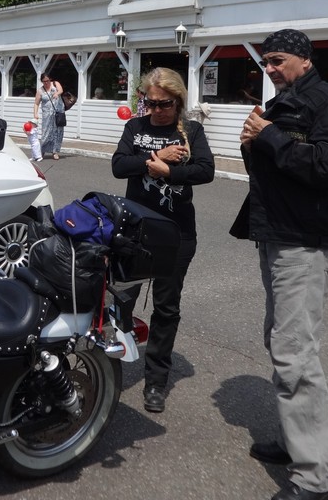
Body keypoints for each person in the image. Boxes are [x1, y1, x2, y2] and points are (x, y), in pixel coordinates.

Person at [230, 29, 328, 500]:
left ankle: (314, 480)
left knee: (295, 355)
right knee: (281, 340)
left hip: (306, 242)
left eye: (278, 60)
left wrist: (267, 136)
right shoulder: (282, 103)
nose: (269, 68)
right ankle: (294, 440)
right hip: (277, 235)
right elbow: (270, 170)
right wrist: (253, 143)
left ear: (305, 60)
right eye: (265, 61)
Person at [111, 67, 215, 414]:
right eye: (150, 103)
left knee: (166, 307)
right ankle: (109, 368)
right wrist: (153, 160)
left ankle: (156, 380)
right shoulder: (135, 128)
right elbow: (119, 166)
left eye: (164, 104)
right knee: (120, 301)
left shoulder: (192, 131)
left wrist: (170, 171)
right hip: (134, 231)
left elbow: (206, 171)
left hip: (175, 234)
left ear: (178, 101)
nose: (156, 110)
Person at [33, 73, 65, 160]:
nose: (46, 83)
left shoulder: (55, 84)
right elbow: (36, 103)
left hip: (58, 113)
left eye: (47, 81)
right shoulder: (40, 90)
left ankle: (55, 152)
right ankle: (42, 151)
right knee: (46, 133)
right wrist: (35, 114)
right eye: (44, 81)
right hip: (47, 115)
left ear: (50, 79)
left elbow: (61, 90)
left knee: (57, 133)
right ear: (42, 81)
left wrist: (57, 93)